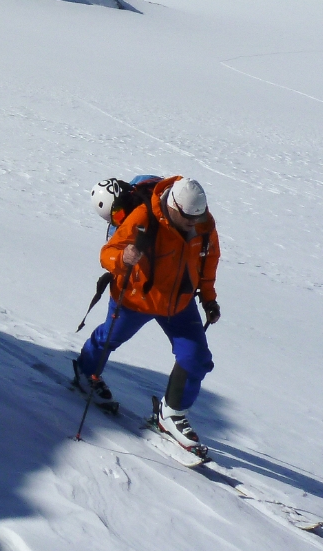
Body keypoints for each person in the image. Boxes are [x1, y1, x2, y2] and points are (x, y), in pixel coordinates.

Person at [74, 176, 220, 450]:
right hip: (135, 298)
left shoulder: (203, 224)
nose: (192, 224)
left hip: (178, 301)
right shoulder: (144, 216)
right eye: (187, 218)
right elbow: (108, 253)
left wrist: (209, 300)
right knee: (109, 338)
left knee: (197, 358)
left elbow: (208, 261)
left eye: (196, 217)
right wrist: (123, 257)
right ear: (173, 207)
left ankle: (172, 414)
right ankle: (85, 371)